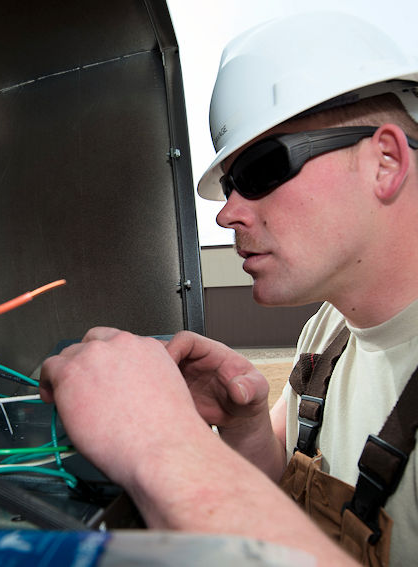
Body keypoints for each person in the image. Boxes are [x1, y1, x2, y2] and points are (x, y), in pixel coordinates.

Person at [40, 11, 418, 567]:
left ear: (385, 161)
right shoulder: (329, 334)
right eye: (229, 187)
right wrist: (243, 423)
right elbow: (277, 497)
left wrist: (162, 447)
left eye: (263, 170)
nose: (227, 214)